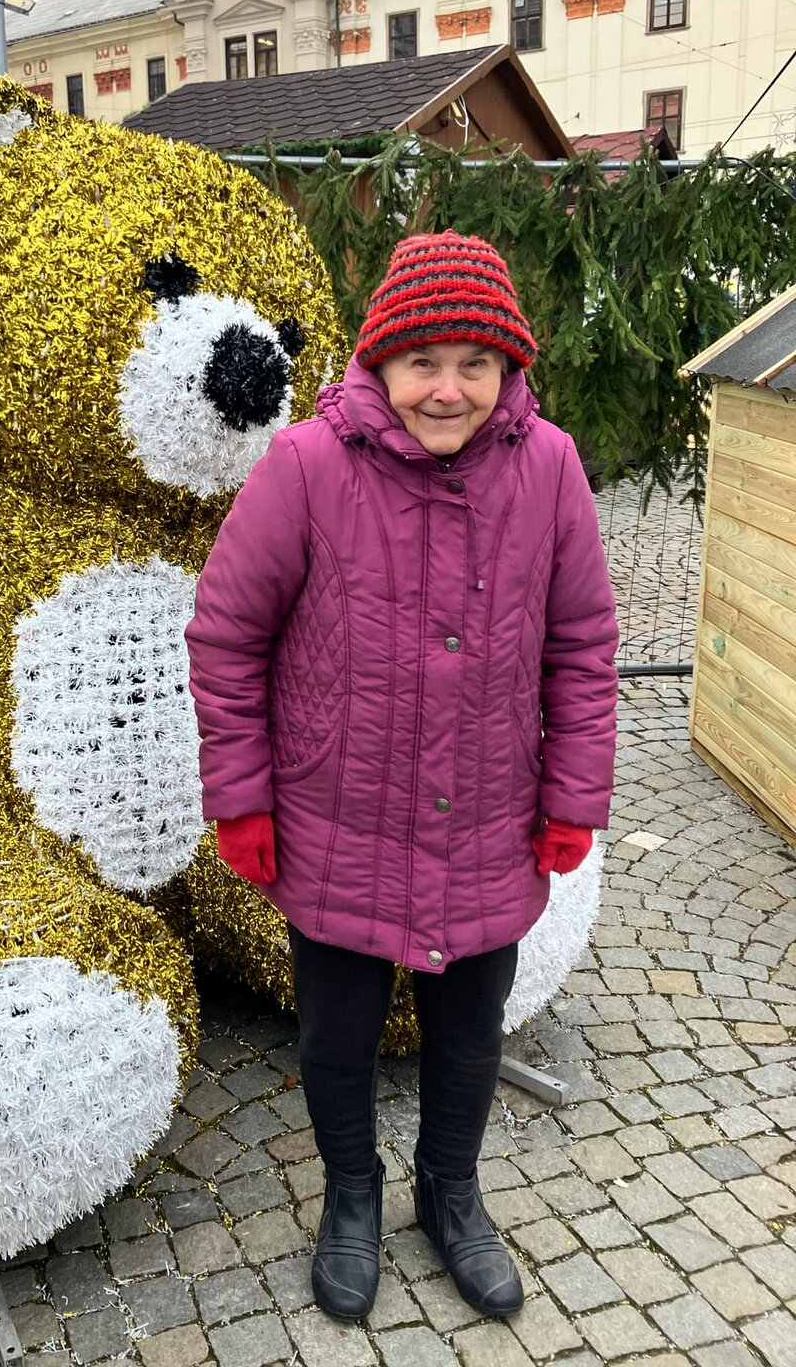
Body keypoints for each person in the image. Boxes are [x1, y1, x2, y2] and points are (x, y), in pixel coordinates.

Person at [185, 230, 619, 1323]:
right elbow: (227, 635)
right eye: (423, 360)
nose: (448, 388)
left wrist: (572, 797)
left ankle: (449, 1192)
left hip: (488, 819)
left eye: (475, 362)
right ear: (379, 360)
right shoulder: (305, 466)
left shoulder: (549, 466)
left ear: (508, 366)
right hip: (338, 816)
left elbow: (581, 644)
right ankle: (352, 1195)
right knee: (336, 1035)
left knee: (468, 1034)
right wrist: (241, 796)